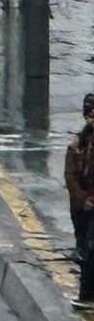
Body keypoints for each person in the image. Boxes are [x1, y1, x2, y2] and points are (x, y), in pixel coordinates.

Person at [67, 92, 94, 307]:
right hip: (83, 207)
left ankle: (87, 295)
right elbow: (71, 175)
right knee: (86, 248)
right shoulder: (79, 143)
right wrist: (82, 199)